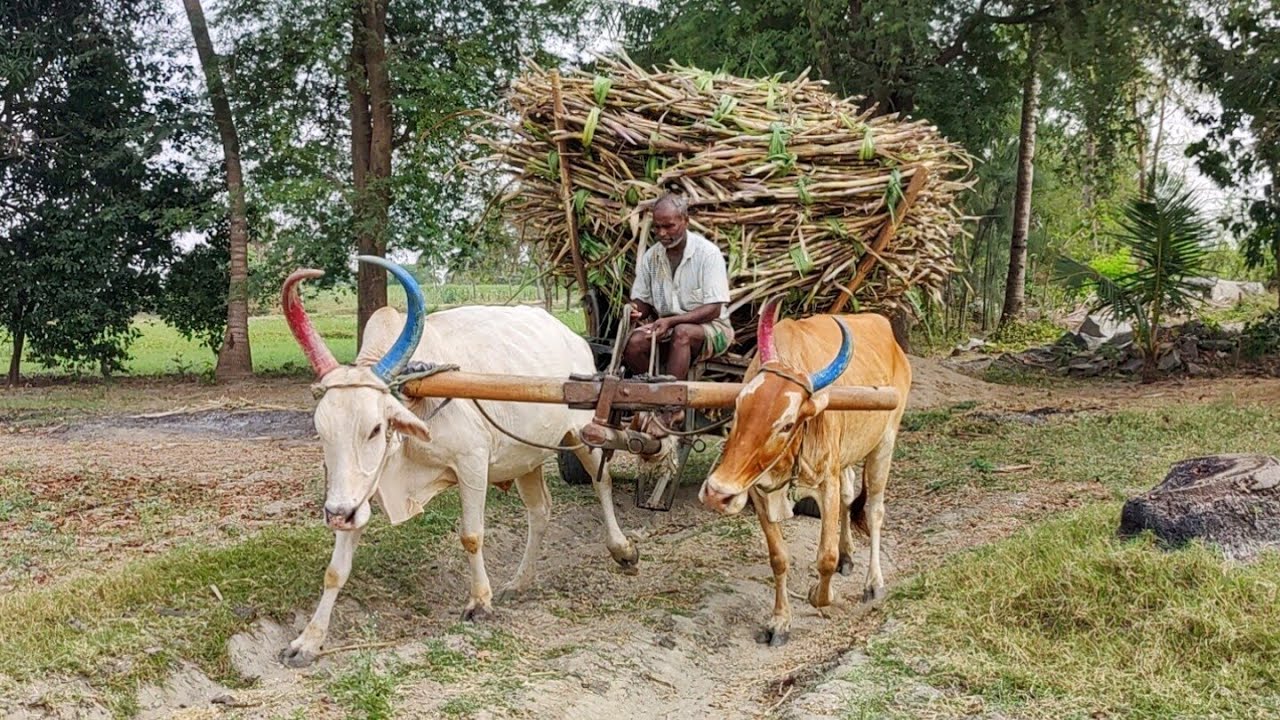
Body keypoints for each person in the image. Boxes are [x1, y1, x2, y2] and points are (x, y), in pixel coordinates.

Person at [624, 193, 734, 403]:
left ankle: (671, 407)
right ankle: (653, 395)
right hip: (666, 328)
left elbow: (714, 309)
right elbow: (643, 302)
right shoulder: (652, 257)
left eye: (669, 226)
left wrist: (672, 321)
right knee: (634, 343)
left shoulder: (707, 254)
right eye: (657, 227)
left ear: (685, 221)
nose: (662, 233)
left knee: (682, 333)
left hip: (713, 329)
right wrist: (634, 309)